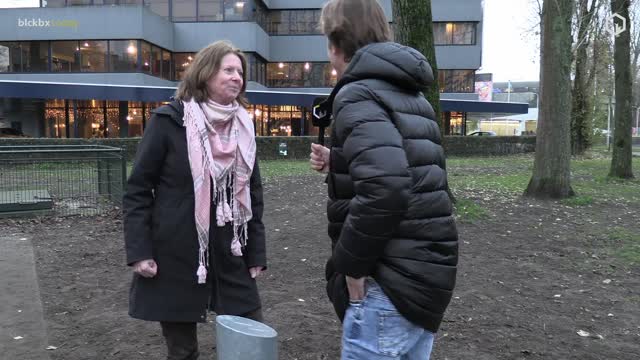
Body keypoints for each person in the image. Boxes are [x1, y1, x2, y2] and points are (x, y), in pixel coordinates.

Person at [309, 0, 459, 359]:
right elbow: (410, 163)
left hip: (387, 283)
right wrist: (341, 160)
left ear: (335, 42)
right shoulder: (410, 92)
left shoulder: (356, 93)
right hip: (425, 276)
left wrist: (351, 269)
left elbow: (387, 187)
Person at [123, 40, 266, 360]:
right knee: (183, 351)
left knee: (251, 340)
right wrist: (139, 251)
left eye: (240, 72)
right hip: (176, 253)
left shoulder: (243, 126)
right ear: (205, 74)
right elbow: (138, 190)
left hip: (231, 251)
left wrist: (256, 251)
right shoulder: (169, 121)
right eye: (228, 70)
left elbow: (253, 194)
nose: (237, 78)